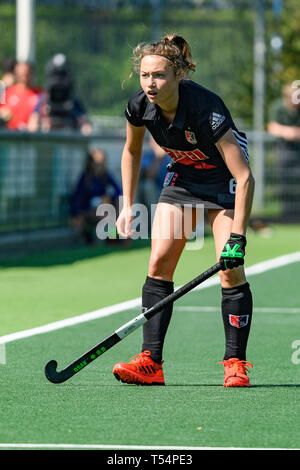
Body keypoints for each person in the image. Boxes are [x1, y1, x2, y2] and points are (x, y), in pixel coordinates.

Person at [112, 34, 255, 388]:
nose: (150, 84)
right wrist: (127, 205)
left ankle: (235, 362)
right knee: (159, 261)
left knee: (230, 269)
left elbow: (245, 175)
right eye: (145, 76)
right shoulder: (139, 107)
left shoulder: (207, 108)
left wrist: (238, 236)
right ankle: (151, 361)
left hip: (224, 181)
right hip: (184, 181)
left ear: (178, 75)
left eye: (159, 76)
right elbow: (131, 152)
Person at [28, 53, 92, 135]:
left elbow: (85, 126)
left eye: (62, 76)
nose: (58, 82)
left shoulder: (73, 102)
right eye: (55, 75)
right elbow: (32, 124)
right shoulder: (43, 100)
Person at [70, 147, 122, 244]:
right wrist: (76, 214)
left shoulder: (107, 176)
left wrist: (109, 197)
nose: (100, 165)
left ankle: (114, 237)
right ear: (91, 163)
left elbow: (119, 191)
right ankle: (110, 238)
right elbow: (77, 197)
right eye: (97, 162)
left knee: (116, 206)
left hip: (105, 209)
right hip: (89, 210)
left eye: (102, 161)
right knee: (106, 212)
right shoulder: (85, 178)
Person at [267, 83, 300, 217]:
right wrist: (289, 132)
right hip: (284, 150)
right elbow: (272, 127)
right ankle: (287, 214)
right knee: (285, 183)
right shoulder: (278, 107)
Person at [0, 61, 43, 130]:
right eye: (21, 72)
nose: (24, 74)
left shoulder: (39, 93)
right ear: (16, 73)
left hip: (32, 136)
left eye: (26, 72)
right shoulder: (7, 93)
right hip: (12, 134)